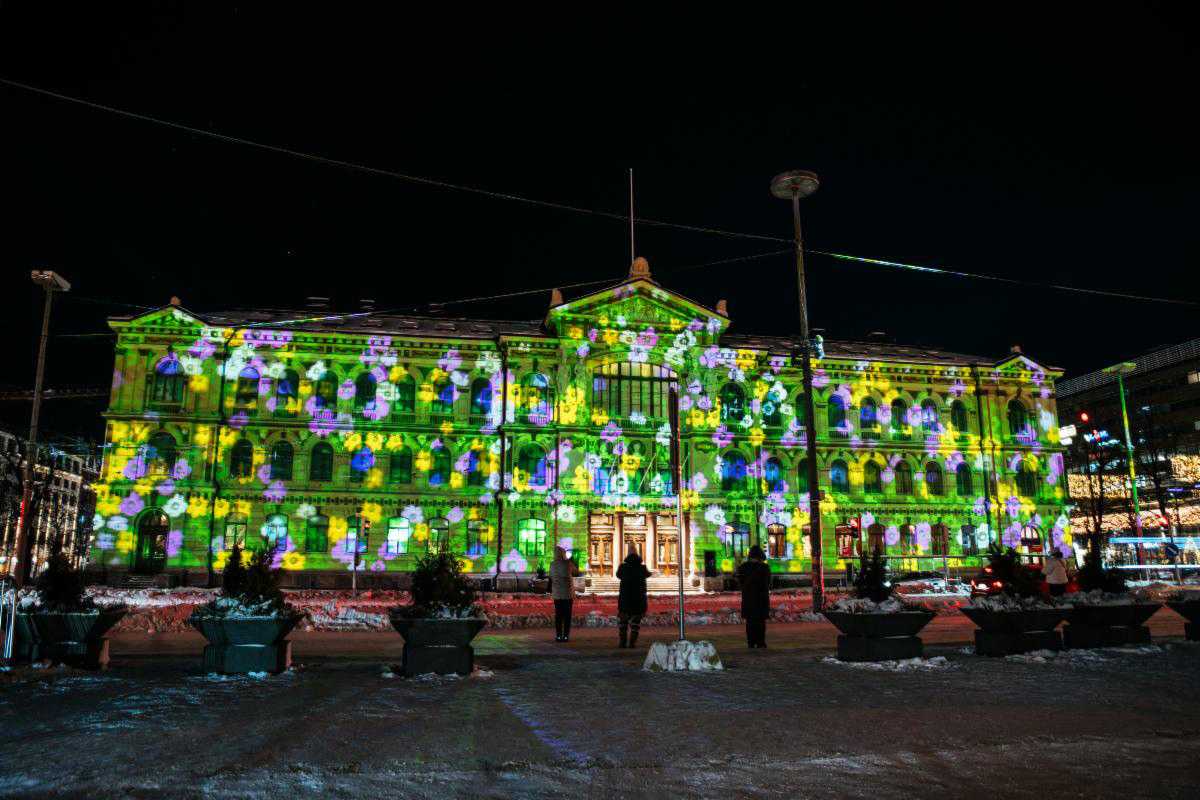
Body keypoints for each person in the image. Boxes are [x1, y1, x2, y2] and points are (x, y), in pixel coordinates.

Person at [736, 545, 771, 648]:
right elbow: (768, 583)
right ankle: (761, 642)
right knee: (760, 622)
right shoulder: (764, 568)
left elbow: (740, 583)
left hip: (748, 599)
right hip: (761, 599)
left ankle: (751, 642)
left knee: (750, 622)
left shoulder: (743, 567)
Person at [616, 545, 650, 648]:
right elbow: (648, 574)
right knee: (635, 624)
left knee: (623, 623)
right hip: (638, 600)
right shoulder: (642, 568)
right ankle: (632, 643)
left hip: (625, 599)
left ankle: (622, 642)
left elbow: (618, 575)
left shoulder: (623, 567)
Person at [549, 546, 580, 642]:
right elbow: (576, 572)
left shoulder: (552, 564)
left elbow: (551, 576)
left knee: (558, 615)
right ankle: (566, 636)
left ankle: (558, 636)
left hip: (557, 594)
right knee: (567, 616)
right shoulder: (568, 564)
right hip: (567, 594)